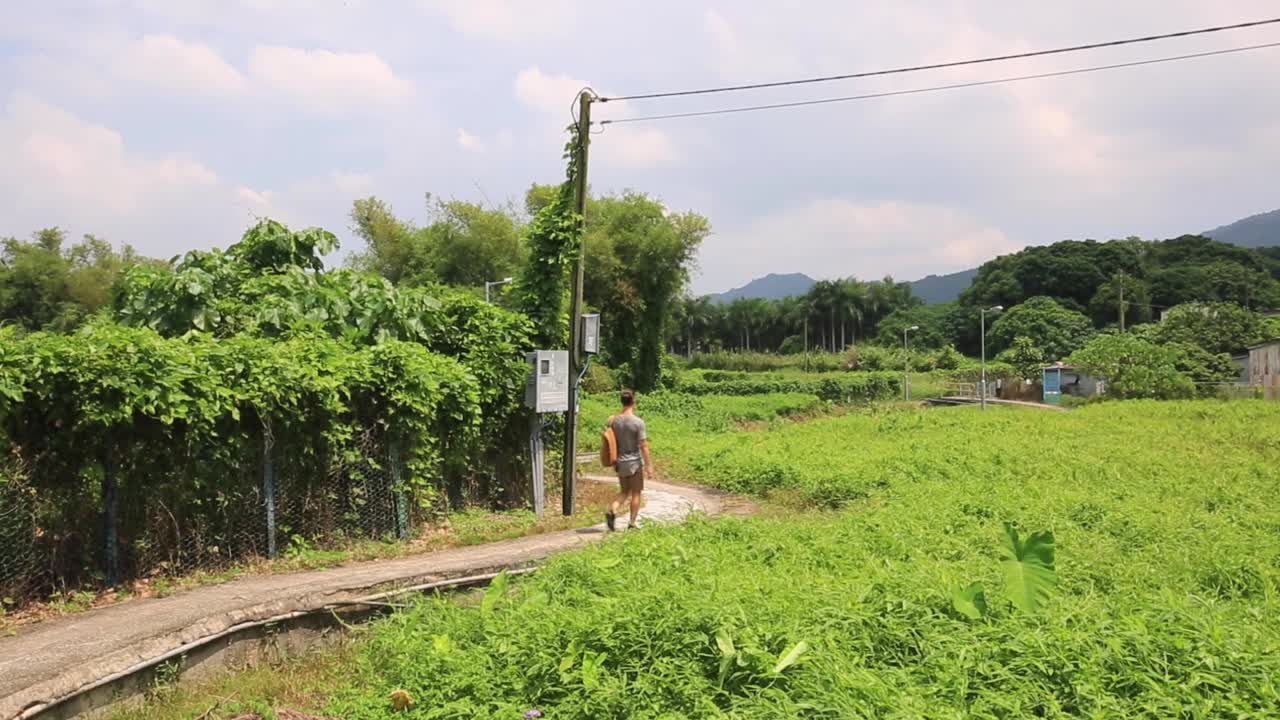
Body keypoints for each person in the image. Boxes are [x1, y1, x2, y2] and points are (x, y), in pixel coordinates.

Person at [605, 389, 653, 531]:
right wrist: (649, 465)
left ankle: (612, 510)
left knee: (624, 491)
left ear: (622, 402)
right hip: (634, 463)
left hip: (620, 462)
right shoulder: (638, 422)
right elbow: (643, 445)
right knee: (636, 493)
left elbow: (610, 439)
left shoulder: (613, 420)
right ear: (634, 402)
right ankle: (632, 523)